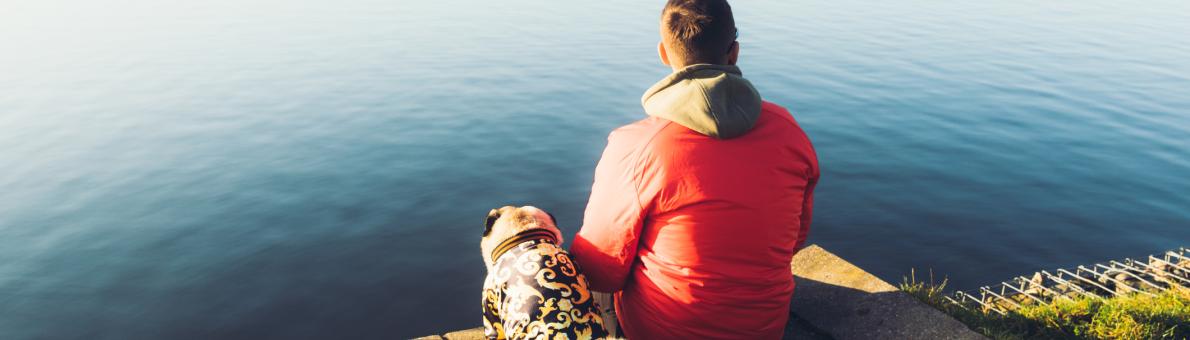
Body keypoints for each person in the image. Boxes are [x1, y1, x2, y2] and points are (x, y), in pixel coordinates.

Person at [568, 0, 820, 338]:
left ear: (664, 53)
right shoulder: (789, 132)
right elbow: (795, 238)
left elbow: (601, 270)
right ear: (734, 52)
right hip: (764, 329)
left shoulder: (636, 147)